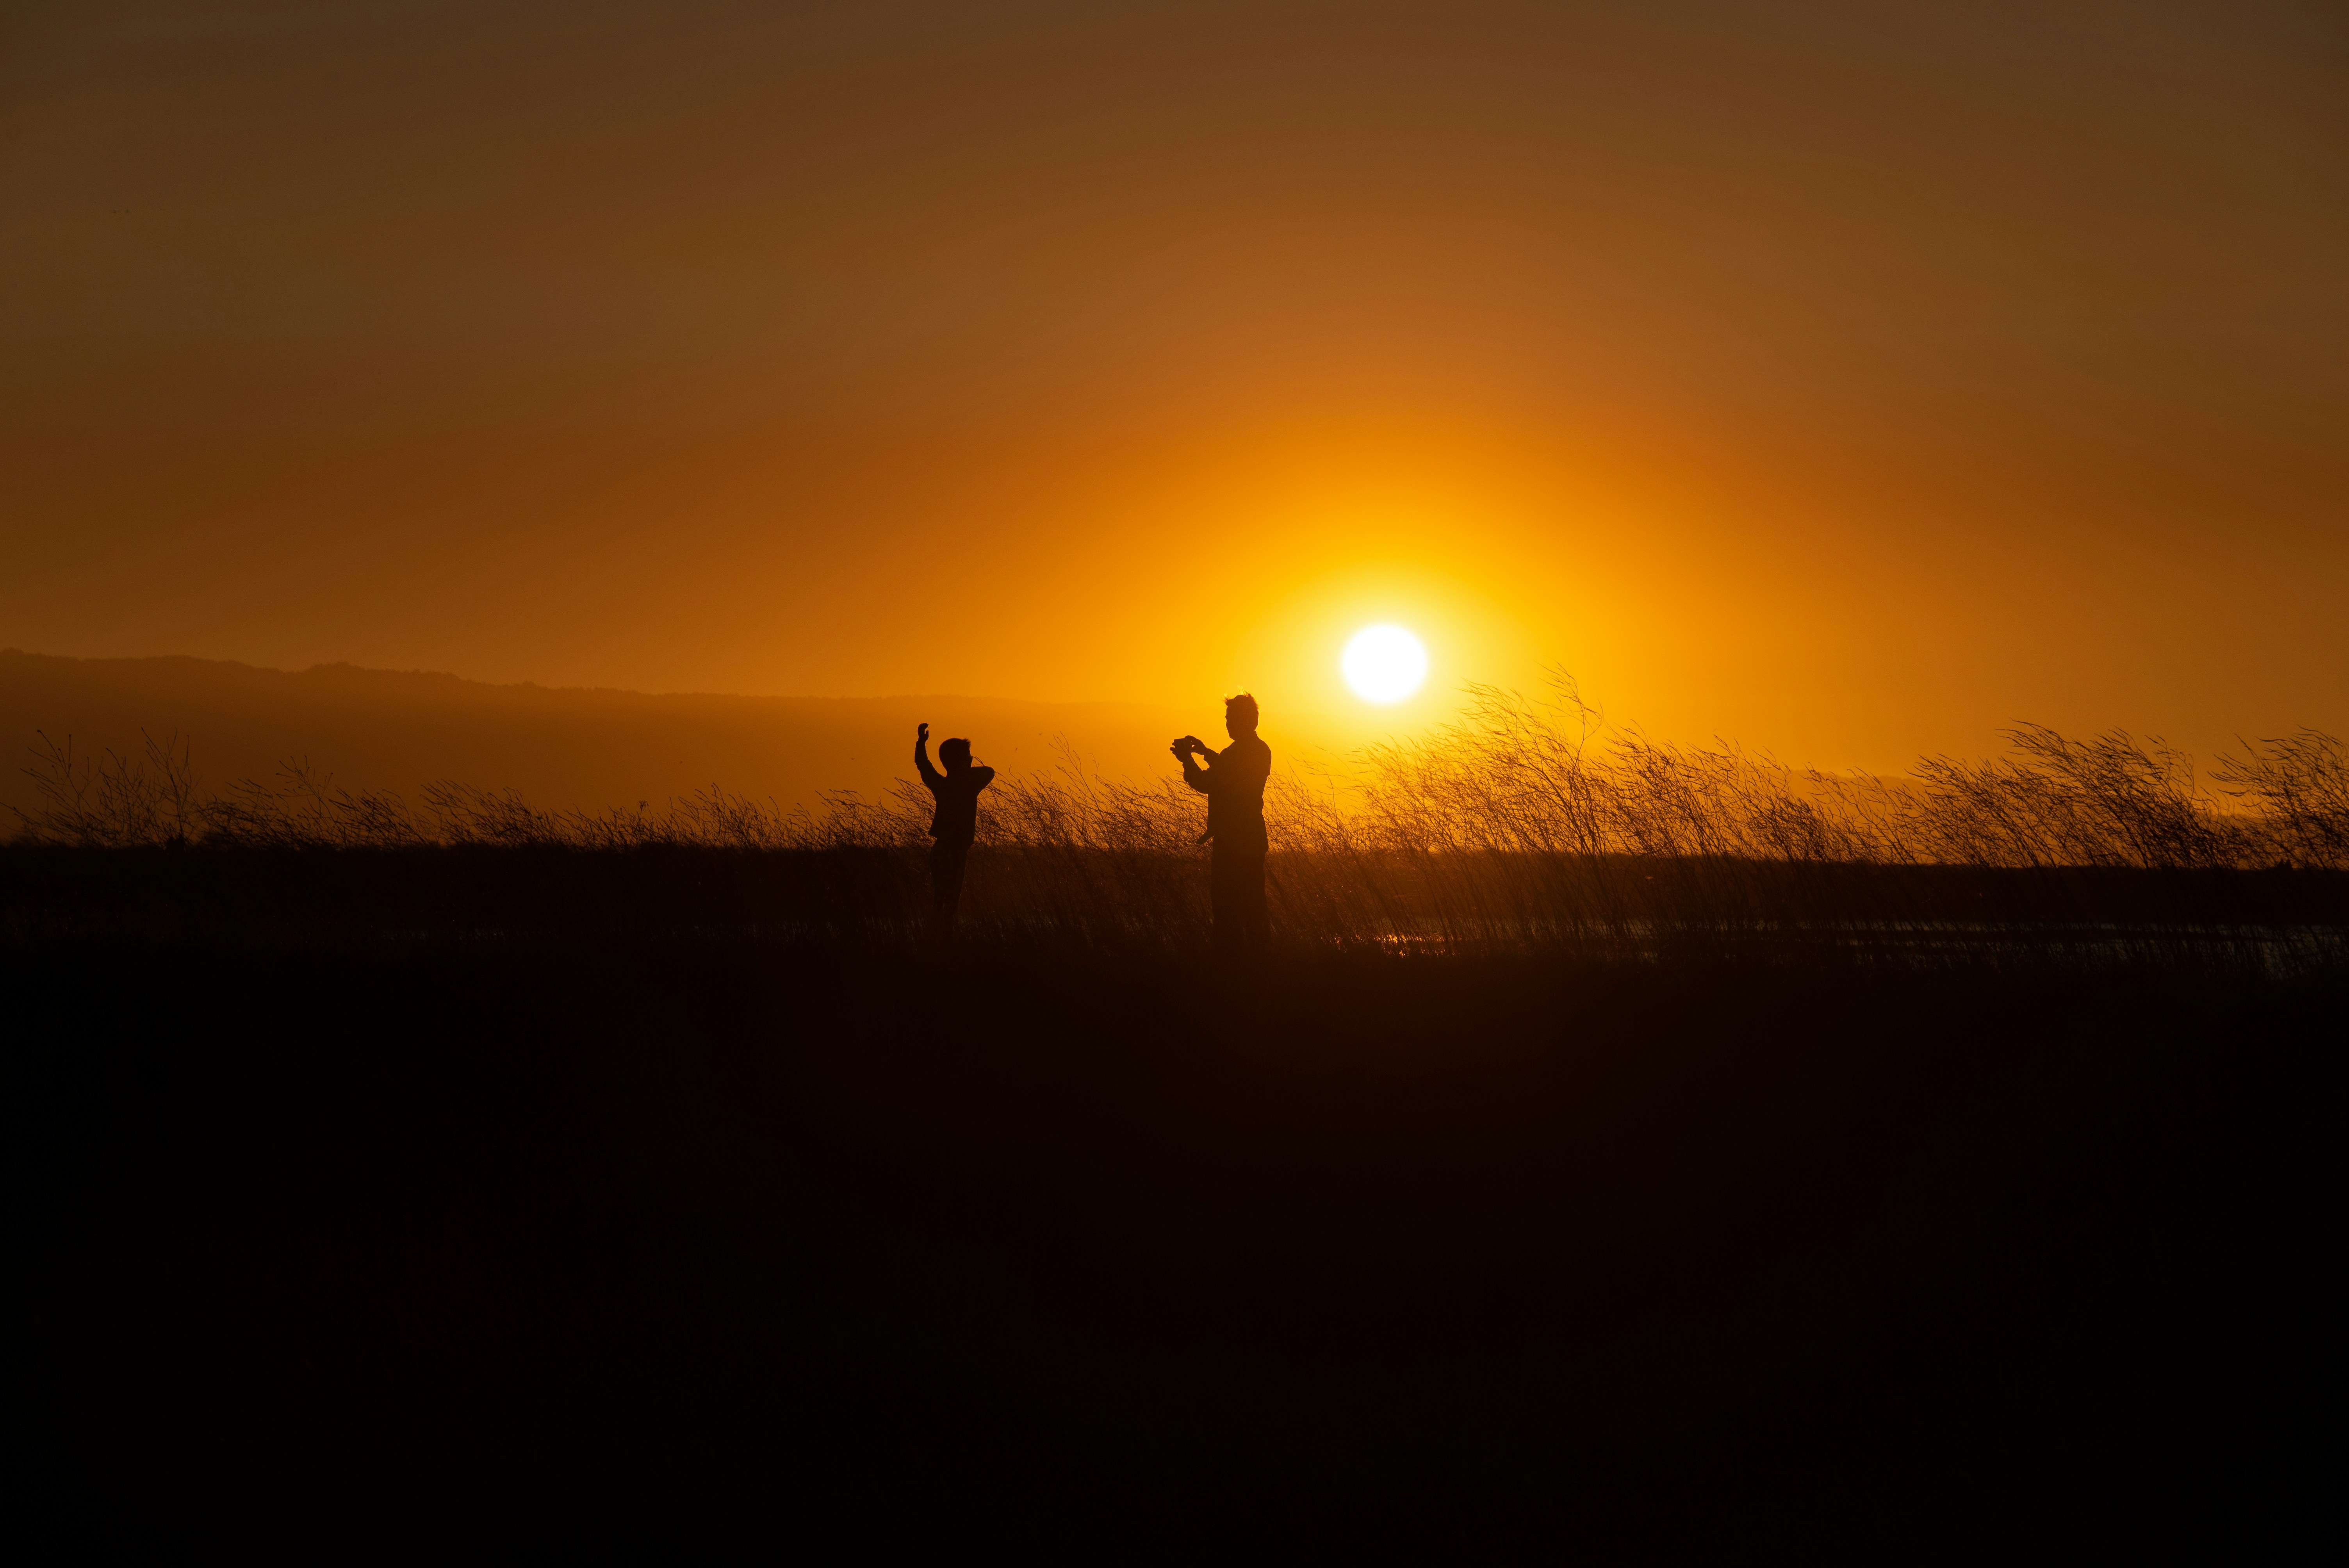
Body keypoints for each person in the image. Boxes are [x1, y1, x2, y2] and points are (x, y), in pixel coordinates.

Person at [1173, 693, 1271, 950]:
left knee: (1227, 911)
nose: (1227, 723)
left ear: (1246, 720)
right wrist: (1206, 752)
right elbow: (1231, 773)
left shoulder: (1238, 753)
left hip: (1232, 843)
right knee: (1255, 908)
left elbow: (1208, 782)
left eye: (1230, 718)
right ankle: (1262, 965)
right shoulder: (1260, 750)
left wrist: (1187, 760)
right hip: (1253, 840)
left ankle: (1231, 967)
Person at [914, 722, 994, 938]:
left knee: (940, 902)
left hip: (941, 851)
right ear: (960, 762)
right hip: (953, 853)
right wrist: (962, 771)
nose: (971, 760)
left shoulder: (942, 785)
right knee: (948, 907)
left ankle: (935, 940)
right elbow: (989, 771)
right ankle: (942, 943)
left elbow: (922, 764)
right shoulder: (969, 785)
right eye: (968, 757)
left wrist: (922, 743)